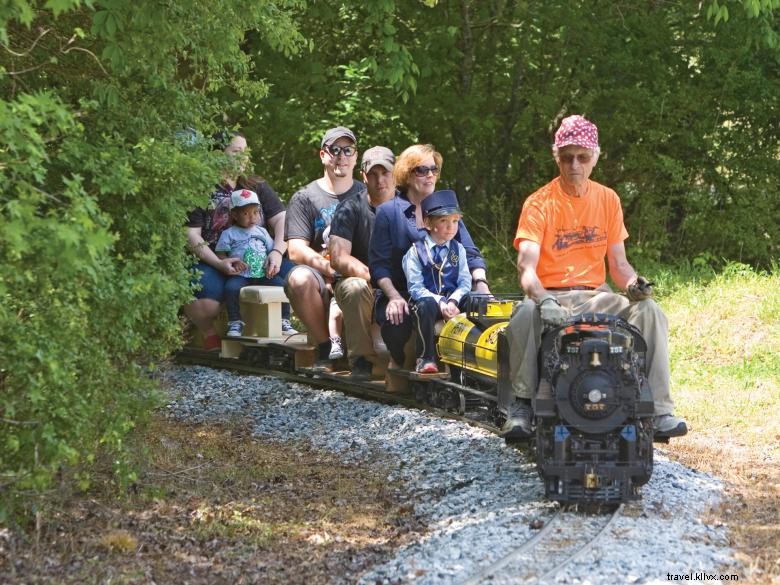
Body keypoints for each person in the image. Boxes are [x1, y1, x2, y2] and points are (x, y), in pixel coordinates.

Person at [503, 114, 688, 440]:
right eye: (567, 156)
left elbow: (619, 264)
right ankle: (521, 406)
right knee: (523, 314)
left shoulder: (608, 199)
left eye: (583, 157)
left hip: (597, 295)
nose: (575, 164)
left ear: (595, 158)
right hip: (553, 296)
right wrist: (543, 297)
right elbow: (526, 267)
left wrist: (634, 285)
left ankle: (659, 410)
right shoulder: (539, 203)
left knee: (651, 311)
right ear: (556, 157)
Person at [369, 144, 491, 370]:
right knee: (399, 320)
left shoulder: (445, 209)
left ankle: (478, 369)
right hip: (404, 293)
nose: (429, 175)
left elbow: (471, 253)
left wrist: (481, 284)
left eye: (433, 169)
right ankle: (405, 363)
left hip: (450, 290)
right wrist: (394, 297)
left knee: (483, 305)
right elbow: (379, 267)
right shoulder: (389, 212)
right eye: (421, 170)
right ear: (406, 173)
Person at [184, 131, 297, 350]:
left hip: (261, 260)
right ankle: (208, 331)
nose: (243, 158)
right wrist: (219, 263)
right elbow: (191, 235)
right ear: (217, 154)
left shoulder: (256, 186)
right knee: (206, 305)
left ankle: (283, 326)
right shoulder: (201, 187)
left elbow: (283, 219)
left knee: (301, 281)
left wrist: (276, 251)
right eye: (237, 152)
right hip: (215, 260)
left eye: (246, 152)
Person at [284, 126, 366, 369]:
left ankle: (367, 354)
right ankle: (326, 348)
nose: (341, 156)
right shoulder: (304, 197)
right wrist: (330, 268)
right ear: (323, 155)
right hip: (321, 278)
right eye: (335, 150)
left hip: (359, 274)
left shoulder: (366, 194)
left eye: (347, 150)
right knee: (298, 278)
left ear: (355, 156)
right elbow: (295, 249)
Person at [328, 146, 397, 379]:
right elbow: (338, 258)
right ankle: (361, 361)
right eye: (373, 174)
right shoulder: (349, 208)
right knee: (354, 287)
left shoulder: (408, 207)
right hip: (363, 282)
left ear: (395, 173)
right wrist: (376, 277)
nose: (380, 180)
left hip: (401, 280)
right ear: (363, 176)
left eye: (385, 173)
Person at [402, 190, 471, 373]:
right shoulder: (415, 252)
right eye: (443, 221)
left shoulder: (459, 250)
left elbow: (465, 282)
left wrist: (454, 301)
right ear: (427, 223)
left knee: (475, 300)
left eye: (455, 221)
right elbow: (416, 288)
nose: (451, 227)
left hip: (453, 302)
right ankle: (425, 358)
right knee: (424, 305)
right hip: (429, 304)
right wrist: (441, 303)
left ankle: (473, 356)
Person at [215, 189, 279, 336]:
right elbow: (220, 253)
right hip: (240, 274)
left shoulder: (262, 232)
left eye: (255, 212)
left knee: (283, 285)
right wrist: (229, 261)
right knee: (231, 289)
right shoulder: (229, 233)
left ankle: (284, 319)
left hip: (262, 273)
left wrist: (271, 262)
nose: (252, 217)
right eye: (246, 213)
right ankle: (235, 322)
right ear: (235, 215)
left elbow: (271, 250)